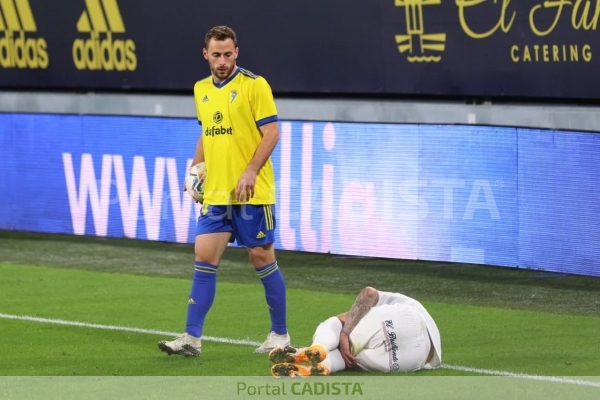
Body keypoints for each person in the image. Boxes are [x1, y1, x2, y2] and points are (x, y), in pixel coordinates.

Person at [158, 25, 289, 357]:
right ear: (206, 54)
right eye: (215, 55)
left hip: (252, 194)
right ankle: (191, 337)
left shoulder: (254, 86)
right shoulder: (201, 89)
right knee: (204, 258)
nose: (221, 61)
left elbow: (272, 133)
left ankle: (280, 335)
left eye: (227, 54)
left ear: (236, 52)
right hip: (216, 194)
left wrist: (249, 171)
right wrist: (193, 173)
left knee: (262, 258)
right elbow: (206, 134)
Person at [268, 286, 441, 377]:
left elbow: (369, 293)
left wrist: (344, 333)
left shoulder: (399, 301)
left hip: (407, 319)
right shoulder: (408, 302)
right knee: (350, 360)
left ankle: (319, 346)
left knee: (340, 321)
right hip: (419, 358)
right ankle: (321, 365)